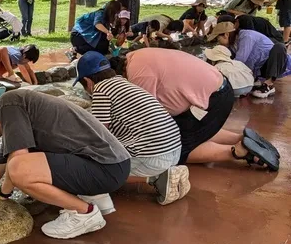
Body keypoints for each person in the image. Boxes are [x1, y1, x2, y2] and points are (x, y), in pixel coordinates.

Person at [0, 87, 130, 239]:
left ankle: (84, 213)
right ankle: (95, 197)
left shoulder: (9, 103)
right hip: (110, 164)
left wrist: (2, 196)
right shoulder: (18, 114)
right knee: (18, 165)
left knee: (19, 169)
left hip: (105, 167)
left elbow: (17, 164)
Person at [110, 49, 280, 170]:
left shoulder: (138, 75)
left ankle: (238, 152)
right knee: (196, 130)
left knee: (174, 150)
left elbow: (145, 117)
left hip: (213, 101)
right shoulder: (138, 55)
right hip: (219, 90)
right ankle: (242, 137)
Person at [74, 52, 189, 205]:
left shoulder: (101, 90)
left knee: (93, 166)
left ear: (88, 82)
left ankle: (156, 177)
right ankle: (161, 174)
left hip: (154, 156)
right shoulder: (124, 83)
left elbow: (99, 134)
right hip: (174, 148)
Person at [208, 21, 291, 99]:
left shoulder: (247, 36)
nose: (219, 43)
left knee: (279, 47)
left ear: (226, 35)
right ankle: (255, 80)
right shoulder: (232, 44)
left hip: (277, 64)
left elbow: (240, 61)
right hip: (260, 68)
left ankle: (268, 85)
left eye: (219, 40)